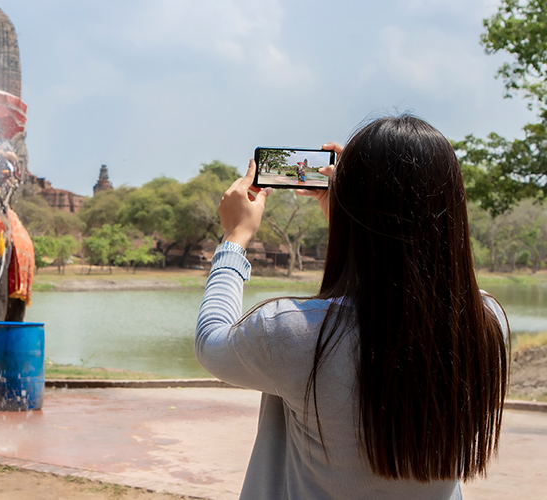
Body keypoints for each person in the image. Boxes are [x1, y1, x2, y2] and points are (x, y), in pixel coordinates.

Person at [196, 115, 509, 499]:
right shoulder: (486, 324)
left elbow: (211, 341)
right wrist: (351, 225)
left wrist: (235, 238)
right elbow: (399, 285)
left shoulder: (296, 333)